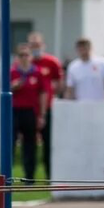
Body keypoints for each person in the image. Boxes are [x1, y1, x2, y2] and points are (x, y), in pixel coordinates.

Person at [28, 32, 63, 180]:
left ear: (43, 45)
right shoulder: (26, 63)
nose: (35, 48)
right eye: (33, 46)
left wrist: (53, 95)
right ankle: (29, 178)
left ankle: (50, 176)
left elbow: (59, 82)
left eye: (38, 45)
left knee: (48, 144)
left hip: (47, 108)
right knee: (29, 145)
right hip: (29, 109)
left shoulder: (51, 62)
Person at [9, 44, 44, 183]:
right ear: (17, 58)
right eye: (21, 55)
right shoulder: (12, 72)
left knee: (30, 145)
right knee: (10, 143)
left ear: (30, 57)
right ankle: (7, 177)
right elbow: (4, 90)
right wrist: (14, 86)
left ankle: (29, 177)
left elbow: (42, 93)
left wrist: (41, 114)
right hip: (15, 110)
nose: (24, 58)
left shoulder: (37, 72)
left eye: (26, 55)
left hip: (30, 111)